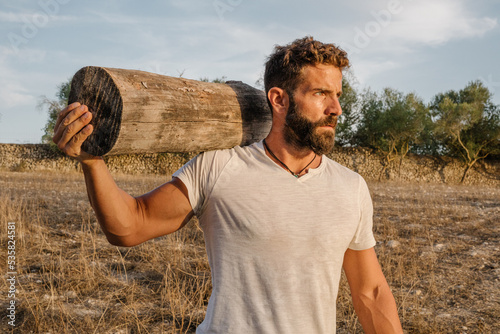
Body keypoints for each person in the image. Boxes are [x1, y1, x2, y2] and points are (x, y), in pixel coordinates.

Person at [53, 36, 403, 333]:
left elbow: (370, 292)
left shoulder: (351, 187)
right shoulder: (219, 166)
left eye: (338, 95)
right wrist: (92, 161)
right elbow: (129, 226)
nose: (336, 108)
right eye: (321, 94)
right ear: (279, 99)